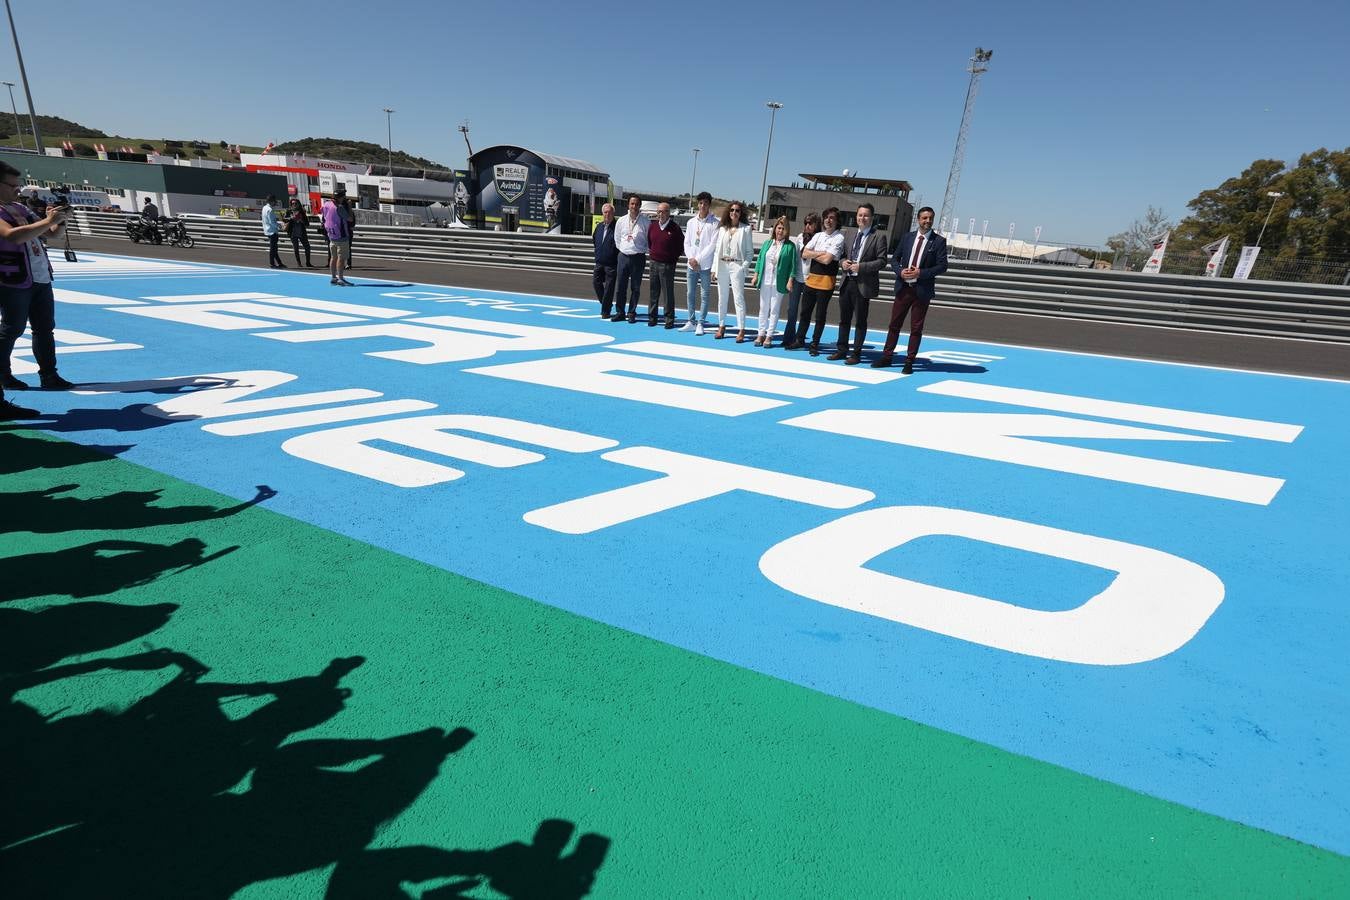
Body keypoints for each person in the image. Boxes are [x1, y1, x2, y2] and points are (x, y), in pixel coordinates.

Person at [1, 161, 75, 420]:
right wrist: (47, 221)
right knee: (12, 329)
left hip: (39, 276)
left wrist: (59, 220)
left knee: (44, 327)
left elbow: (51, 235)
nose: (17, 190)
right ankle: (4, 376)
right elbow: (12, 236)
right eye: (12, 185)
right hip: (13, 280)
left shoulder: (20, 207)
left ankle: (49, 374)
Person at [874, 206, 949, 373]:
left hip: (922, 291)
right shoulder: (907, 237)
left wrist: (920, 273)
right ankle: (887, 357)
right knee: (894, 324)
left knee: (916, 328)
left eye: (930, 218)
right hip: (903, 288)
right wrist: (900, 271)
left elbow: (942, 266)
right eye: (924, 218)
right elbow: (895, 260)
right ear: (918, 219)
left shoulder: (939, 241)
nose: (928, 221)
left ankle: (909, 361)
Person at [831, 202, 889, 364]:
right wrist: (842, 263)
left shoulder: (878, 236)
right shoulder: (848, 234)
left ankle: (856, 353)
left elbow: (882, 261)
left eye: (866, 215)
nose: (862, 218)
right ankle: (841, 350)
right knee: (844, 319)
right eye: (860, 215)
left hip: (863, 284)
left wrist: (861, 267)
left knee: (860, 321)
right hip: (847, 281)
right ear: (856, 217)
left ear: (872, 218)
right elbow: (841, 255)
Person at [787, 206, 845, 355]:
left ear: (837, 221)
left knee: (820, 316)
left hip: (826, 282)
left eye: (832, 218)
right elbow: (803, 253)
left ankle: (814, 343)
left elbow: (827, 260)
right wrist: (821, 253)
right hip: (811, 280)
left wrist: (815, 254)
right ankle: (800, 340)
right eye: (826, 217)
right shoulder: (818, 235)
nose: (828, 220)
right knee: (805, 313)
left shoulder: (839, 237)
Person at [749, 216, 797, 348]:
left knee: (774, 310)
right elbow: (759, 260)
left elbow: (793, 265)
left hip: (779, 282)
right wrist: (755, 275)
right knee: (763, 308)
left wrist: (790, 280)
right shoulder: (767, 244)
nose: (780, 231)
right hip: (765, 280)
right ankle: (761, 333)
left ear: (787, 231)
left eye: (783, 228)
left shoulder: (790, 246)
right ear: (775, 229)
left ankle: (769, 336)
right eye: (778, 228)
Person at [711, 201, 753, 341]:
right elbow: (717, 250)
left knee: (738, 298)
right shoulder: (722, 228)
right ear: (728, 212)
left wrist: (743, 267)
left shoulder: (746, 229)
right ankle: (721, 326)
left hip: (736, 266)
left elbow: (749, 252)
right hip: (722, 265)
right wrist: (714, 269)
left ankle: (741, 329)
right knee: (722, 298)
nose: (734, 213)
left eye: (737, 210)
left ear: (741, 213)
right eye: (732, 210)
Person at [681, 191, 718, 335]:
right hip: (691, 265)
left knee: (704, 295)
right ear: (698, 204)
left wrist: (698, 259)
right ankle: (691, 321)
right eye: (701, 203)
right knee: (690, 293)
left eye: (706, 203)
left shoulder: (715, 223)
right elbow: (687, 242)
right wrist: (691, 258)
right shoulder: (691, 222)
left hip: (705, 266)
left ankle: (700, 323)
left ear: (709, 205)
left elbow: (712, 245)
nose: (703, 206)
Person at [782, 213, 819, 346]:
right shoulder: (799, 237)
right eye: (805, 223)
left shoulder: (819, 238)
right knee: (791, 309)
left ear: (816, 224)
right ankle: (788, 337)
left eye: (810, 223)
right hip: (797, 277)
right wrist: (791, 278)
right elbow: (794, 259)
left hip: (811, 279)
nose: (807, 226)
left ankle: (800, 338)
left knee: (805, 312)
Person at [611, 195, 649, 323]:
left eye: (636, 204)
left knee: (635, 287)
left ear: (640, 206)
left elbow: (649, 240)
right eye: (632, 204)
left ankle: (631, 312)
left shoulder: (645, 221)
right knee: (620, 286)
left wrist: (640, 249)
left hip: (638, 257)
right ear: (628, 205)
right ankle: (620, 312)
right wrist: (623, 248)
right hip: (623, 256)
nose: (634, 206)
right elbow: (617, 238)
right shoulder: (621, 220)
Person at [645, 202, 683, 328]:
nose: (661, 214)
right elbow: (650, 243)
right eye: (659, 211)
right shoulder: (653, 226)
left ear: (669, 213)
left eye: (664, 211)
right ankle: (652, 317)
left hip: (668, 265)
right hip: (654, 263)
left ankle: (669, 319)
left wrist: (672, 259)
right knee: (653, 292)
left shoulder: (675, 228)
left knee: (668, 293)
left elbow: (680, 246)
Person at [592, 203, 619, 318]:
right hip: (599, 262)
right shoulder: (599, 227)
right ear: (602, 213)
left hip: (612, 263)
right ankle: (606, 304)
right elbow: (594, 240)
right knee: (596, 283)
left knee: (609, 288)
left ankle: (605, 311)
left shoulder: (617, 227)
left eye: (610, 212)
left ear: (613, 214)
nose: (607, 214)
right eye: (605, 212)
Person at [321, 193, 352, 286]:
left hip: (331, 235)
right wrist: (349, 207)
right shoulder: (339, 207)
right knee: (341, 258)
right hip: (341, 235)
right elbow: (350, 219)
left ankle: (334, 277)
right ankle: (341, 278)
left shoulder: (326, 204)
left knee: (333, 257)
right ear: (340, 198)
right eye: (343, 197)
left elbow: (323, 216)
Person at [285, 199, 314, 267]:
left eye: (295, 203)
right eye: (292, 204)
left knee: (307, 247)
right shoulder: (289, 211)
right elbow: (284, 220)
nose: (294, 205)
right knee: (296, 248)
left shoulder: (302, 212)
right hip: (292, 233)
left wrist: (301, 220)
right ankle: (299, 263)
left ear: (298, 204)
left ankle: (308, 262)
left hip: (301, 232)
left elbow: (307, 224)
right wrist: (291, 218)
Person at [262, 195, 285, 268]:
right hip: (272, 231)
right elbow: (272, 222)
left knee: (274, 248)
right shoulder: (270, 209)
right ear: (271, 201)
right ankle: (272, 263)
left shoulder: (264, 208)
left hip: (267, 230)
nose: (275, 202)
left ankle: (279, 263)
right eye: (274, 201)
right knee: (273, 249)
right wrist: (279, 226)